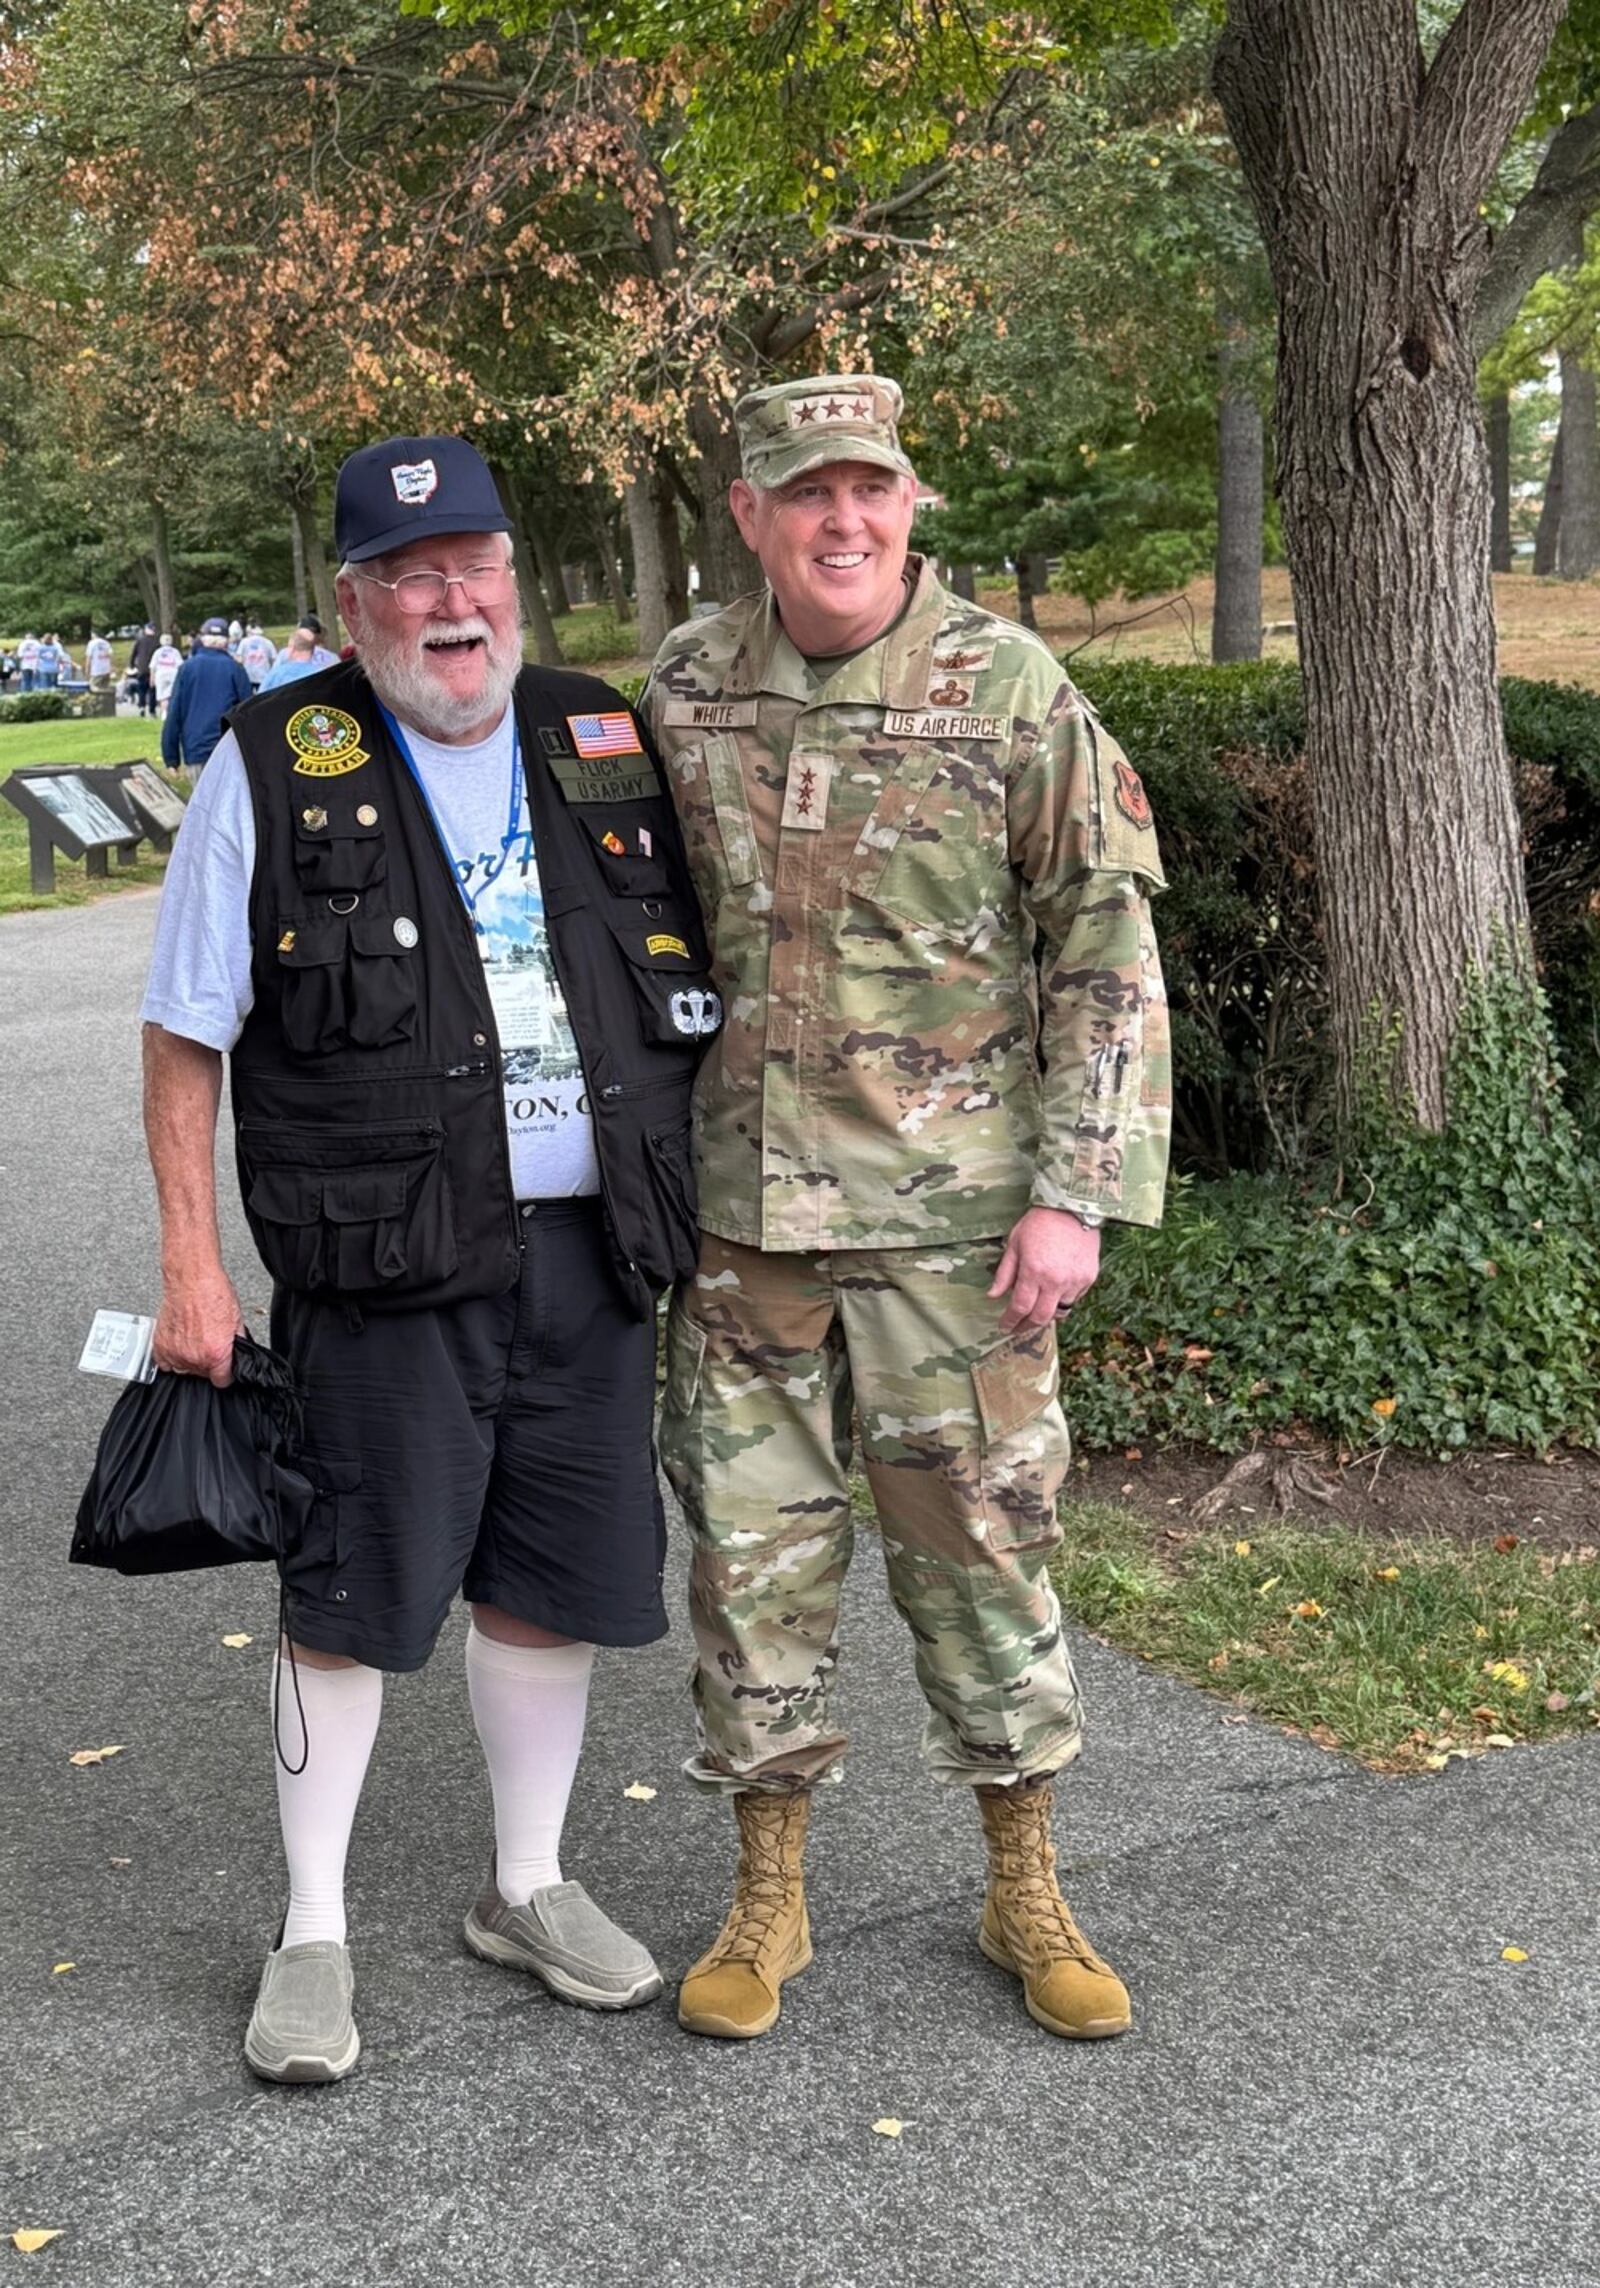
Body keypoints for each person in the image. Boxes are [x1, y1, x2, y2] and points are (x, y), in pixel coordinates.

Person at [139, 433, 718, 2084]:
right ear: (354, 599)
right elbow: (186, 1039)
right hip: (383, 1259)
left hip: (594, 1252)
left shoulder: (598, 732)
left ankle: (523, 1883)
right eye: (411, 573)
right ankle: (312, 1925)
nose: (451, 599)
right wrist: (192, 1266)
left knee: (552, 1588)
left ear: (512, 582)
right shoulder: (271, 758)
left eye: (476, 563)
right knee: (349, 1596)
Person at [643, 374, 1171, 2045]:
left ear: (911, 500)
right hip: (739, 1233)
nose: (842, 519)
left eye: (870, 488)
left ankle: (1024, 1879)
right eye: (807, 492)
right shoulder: (679, 692)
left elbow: (1106, 936)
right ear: (751, 512)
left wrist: (1078, 1191)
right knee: (749, 1570)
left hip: (956, 1235)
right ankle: (768, 1889)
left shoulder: (1006, 688)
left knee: (988, 1557)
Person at [160, 617, 251, 771]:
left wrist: (171, 758)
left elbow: (174, 712)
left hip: (195, 747)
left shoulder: (187, 669)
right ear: (226, 641)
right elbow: (248, 712)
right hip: (228, 749)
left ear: (202, 639)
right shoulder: (235, 669)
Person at [258, 627, 320, 692]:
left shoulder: (275, 676)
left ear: (291, 649)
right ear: (313, 650)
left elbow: (259, 699)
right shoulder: (322, 675)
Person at [151, 632, 184, 717]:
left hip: (161, 674)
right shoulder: (175, 651)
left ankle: (163, 713)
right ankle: (170, 712)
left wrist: (152, 678)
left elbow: (152, 666)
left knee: (162, 695)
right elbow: (180, 665)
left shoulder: (158, 652)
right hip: (173, 673)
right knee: (171, 694)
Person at [237, 622, 278, 689]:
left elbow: (239, 659)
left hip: (248, 676)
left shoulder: (244, 642)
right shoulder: (268, 642)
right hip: (264, 675)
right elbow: (274, 659)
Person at [130, 624, 159, 717]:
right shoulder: (156, 641)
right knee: (152, 690)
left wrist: (131, 665)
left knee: (142, 689)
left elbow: (134, 653)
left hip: (142, 668)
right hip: (153, 669)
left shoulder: (140, 640)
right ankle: (152, 710)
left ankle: (142, 707)